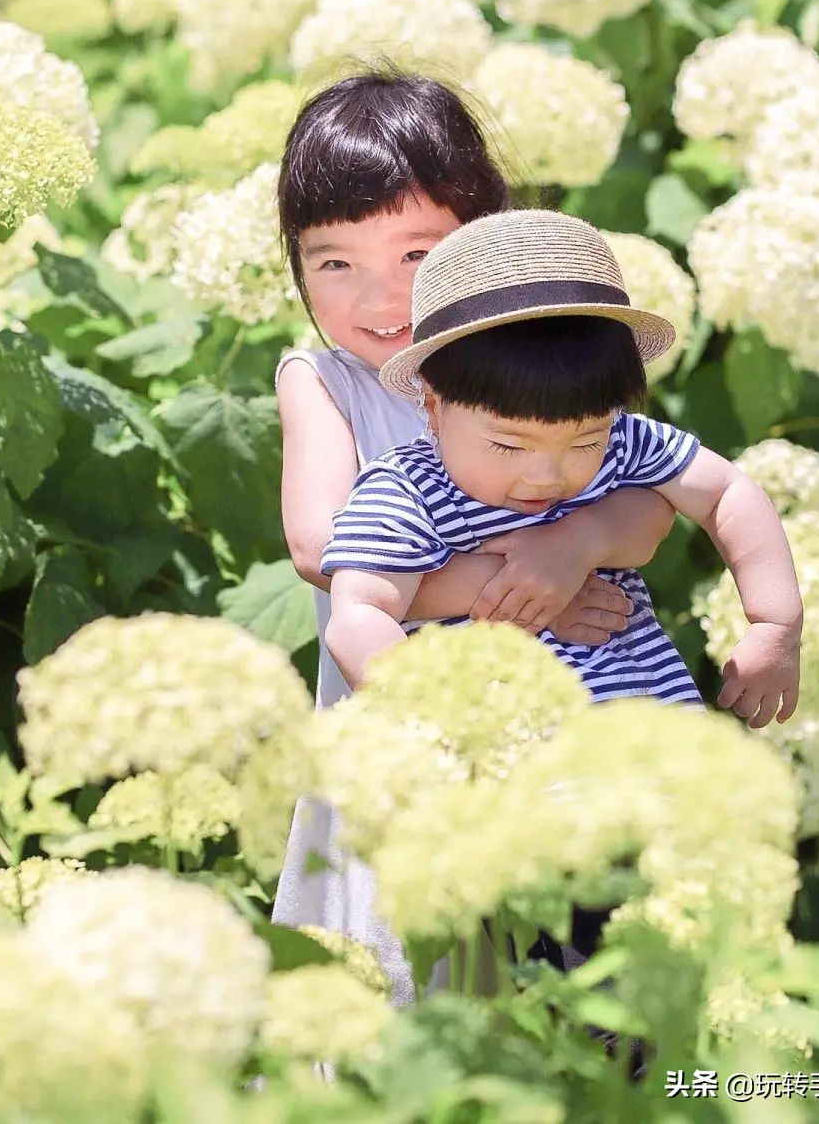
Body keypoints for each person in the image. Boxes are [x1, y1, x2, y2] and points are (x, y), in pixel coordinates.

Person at [273, 72, 679, 1006]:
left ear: (484, 241)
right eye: (334, 263)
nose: (380, 297)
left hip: (564, 731)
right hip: (402, 725)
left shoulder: (536, 352)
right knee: (407, 967)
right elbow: (319, 544)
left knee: (568, 975)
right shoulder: (324, 381)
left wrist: (573, 546)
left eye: (417, 254)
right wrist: (506, 583)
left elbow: (652, 501)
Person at [322, 208, 803, 732]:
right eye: (509, 446)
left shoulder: (623, 442)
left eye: (584, 441)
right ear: (433, 408)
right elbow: (358, 616)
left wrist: (775, 622)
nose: (546, 475)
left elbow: (727, 492)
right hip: (509, 768)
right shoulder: (408, 491)